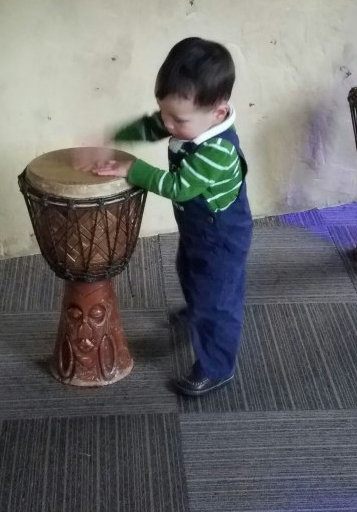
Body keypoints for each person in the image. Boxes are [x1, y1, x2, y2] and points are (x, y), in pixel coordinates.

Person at [92, 37, 253, 396]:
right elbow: (155, 125)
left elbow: (178, 187)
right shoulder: (189, 120)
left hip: (223, 238)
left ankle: (217, 367)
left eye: (177, 119)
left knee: (218, 302)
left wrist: (132, 168)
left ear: (218, 113)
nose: (167, 123)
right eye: (163, 112)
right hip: (199, 230)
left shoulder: (217, 152)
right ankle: (197, 309)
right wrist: (117, 136)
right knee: (188, 272)